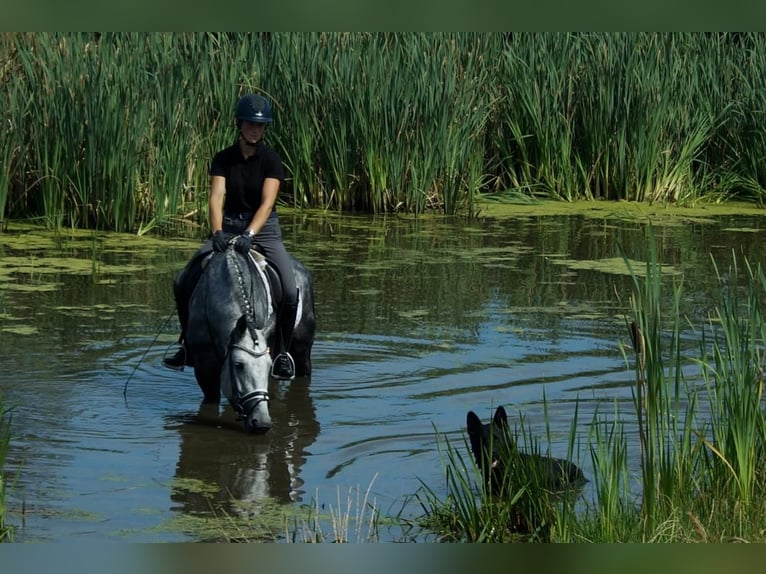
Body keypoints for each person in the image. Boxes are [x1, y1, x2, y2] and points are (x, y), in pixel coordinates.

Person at [163, 93, 298, 380]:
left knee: (288, 287)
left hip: (264, 231)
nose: (255, 130)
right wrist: (217, 232)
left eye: (260, 126)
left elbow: (267, 204)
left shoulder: (272, 161)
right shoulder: (223, 159)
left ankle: (283, 352)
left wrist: (251, 233)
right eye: (250, 124)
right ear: (239, 124)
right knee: (182, 280)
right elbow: (215, 197)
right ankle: (186, 345)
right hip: (228, 228)